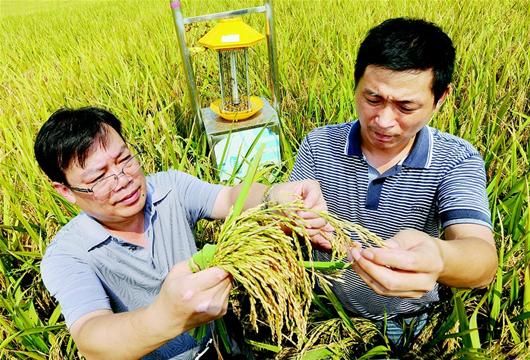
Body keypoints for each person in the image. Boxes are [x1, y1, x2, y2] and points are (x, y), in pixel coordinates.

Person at [34, 107, 332, 360]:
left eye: (124, 159)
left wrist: (275, 195)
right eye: (99, 177)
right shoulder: (66, 255)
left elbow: (229, 199)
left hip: (222, 348)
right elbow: (90, 336)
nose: (123, 180)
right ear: (65, 191)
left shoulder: (167, 188)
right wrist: (165, 318)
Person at [290, 17, 498, 349]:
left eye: (406, 107)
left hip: (407, 320)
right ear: (356, 85)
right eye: (373, 99)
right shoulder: (319, 146)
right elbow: (287, 222)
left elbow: (482, 259)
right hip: (325, 313)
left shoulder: (456, 159)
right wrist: (290, 217)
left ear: (440, 98)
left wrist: (439, 257)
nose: (384, 121)